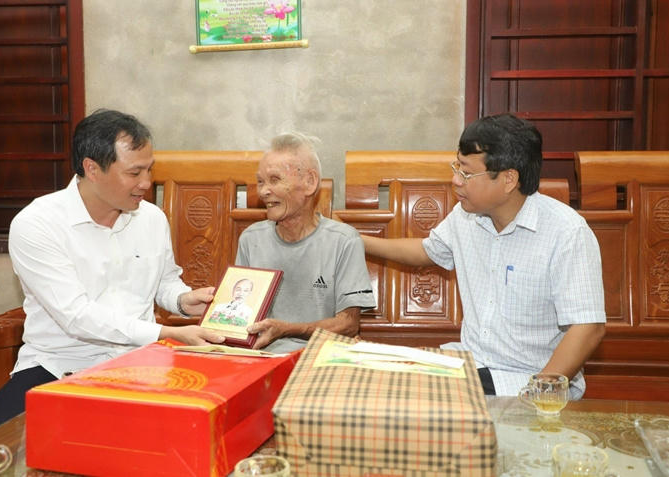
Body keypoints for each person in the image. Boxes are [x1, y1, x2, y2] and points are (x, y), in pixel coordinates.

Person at [0, 109, 224, 430]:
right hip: (58, 366)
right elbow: (76, 316)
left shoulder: (151, 219)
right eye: (134, 173)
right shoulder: (37, 224)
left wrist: (182, 300)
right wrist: (165, 333)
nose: (146, 183)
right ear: (92, 169)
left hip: (142, 365)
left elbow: (165, 282)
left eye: (149, 170)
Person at [361, 114, 606, 399]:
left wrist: (541, 391)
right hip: (471, 364)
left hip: (525, 378)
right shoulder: (466, 217)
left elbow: (588, 327)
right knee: (384, 377)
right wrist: (358, 242)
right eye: (457, 167)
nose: (455, 181)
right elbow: (427, 250)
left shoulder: (566, 232)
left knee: (411, 397)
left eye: (466, 173)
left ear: (508, 179)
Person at [235, 132, 376, 352]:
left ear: (310, 182)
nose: (263, 191)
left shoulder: (344, 241)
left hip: (320, 357)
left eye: (275, 180)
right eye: (260, 182)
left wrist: (288, 329)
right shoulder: (251, 239)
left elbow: (349, 324)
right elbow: (241, 314)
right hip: (262, 357)